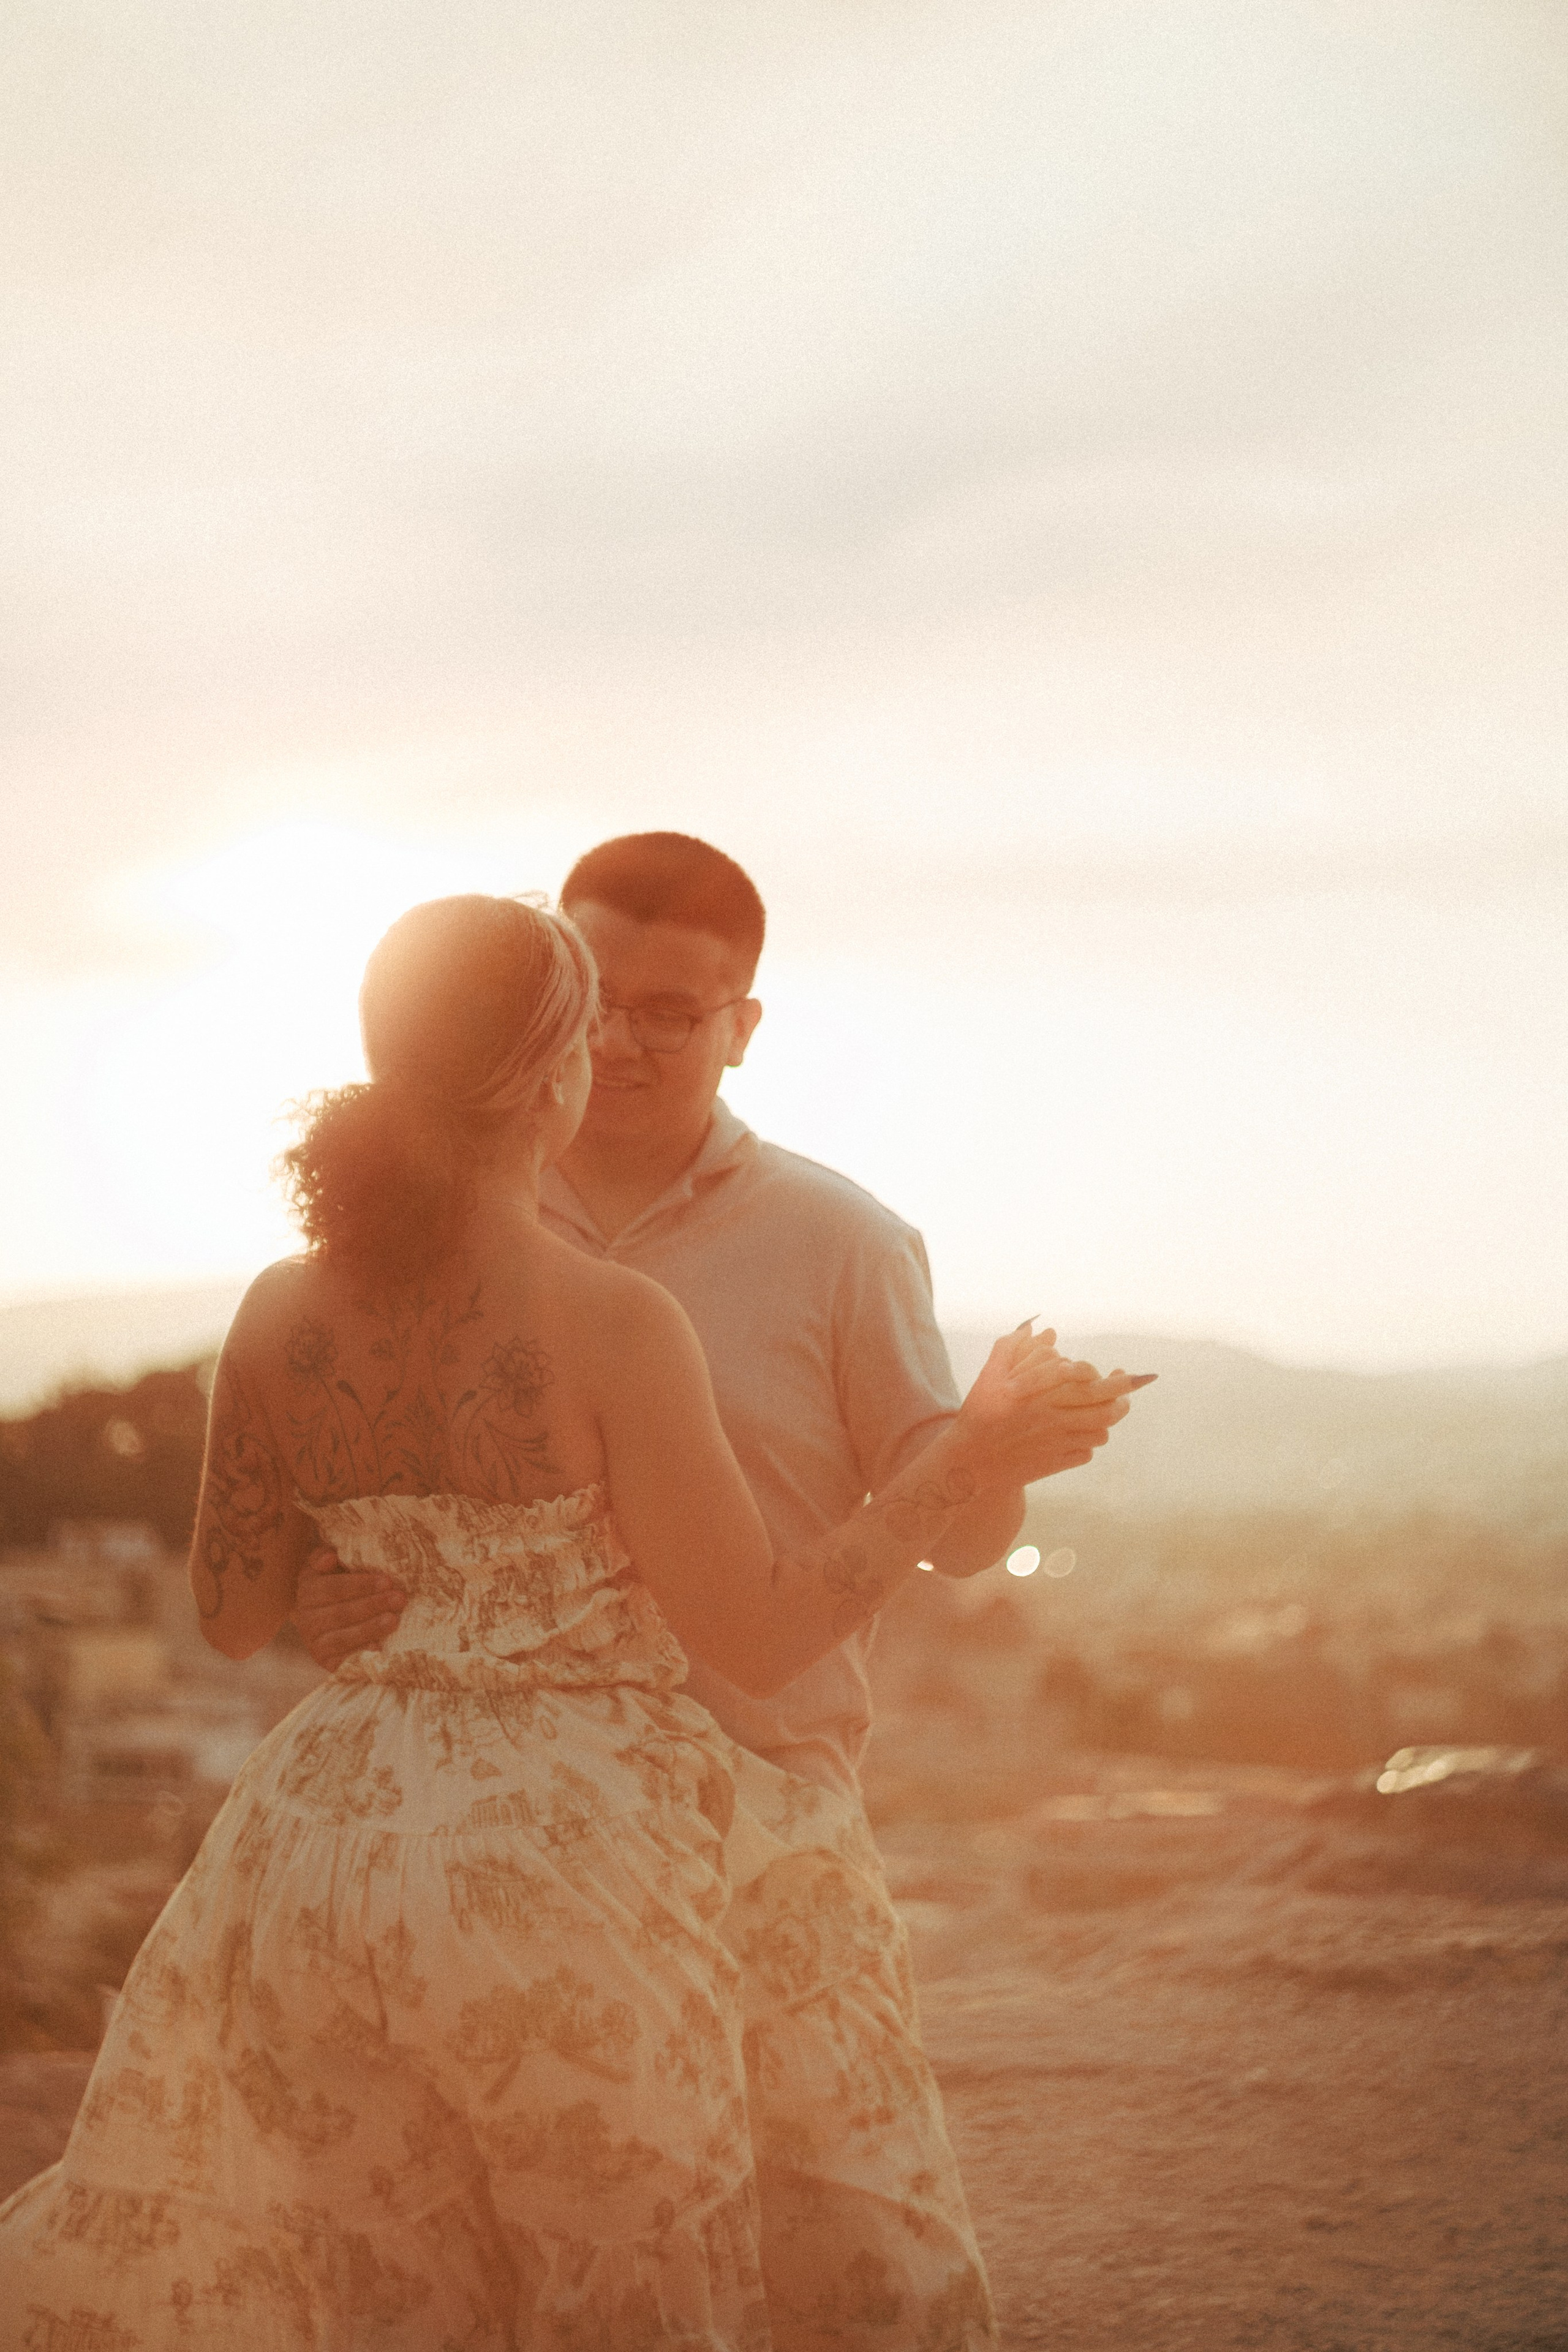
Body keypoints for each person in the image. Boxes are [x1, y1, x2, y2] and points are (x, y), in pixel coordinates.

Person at [0, 891, 1136, 2351]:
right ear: (553, 1078)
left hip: (317, 1853)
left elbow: (231, 1615)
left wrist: (351, 1583)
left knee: (386, 2284)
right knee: (622, 2286)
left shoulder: (279, 1308)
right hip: (562, 1857)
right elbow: (765, 1631)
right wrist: (965, 1462)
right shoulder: (608, 1320)